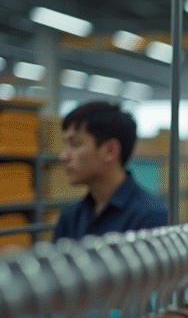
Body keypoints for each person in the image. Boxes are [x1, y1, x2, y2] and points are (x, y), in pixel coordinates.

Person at [53, 101, 168, 242]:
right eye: (65, 145)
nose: (63, 157)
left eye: (75, 144)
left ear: (110, 150)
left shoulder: (150, 217)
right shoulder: (70, 216)